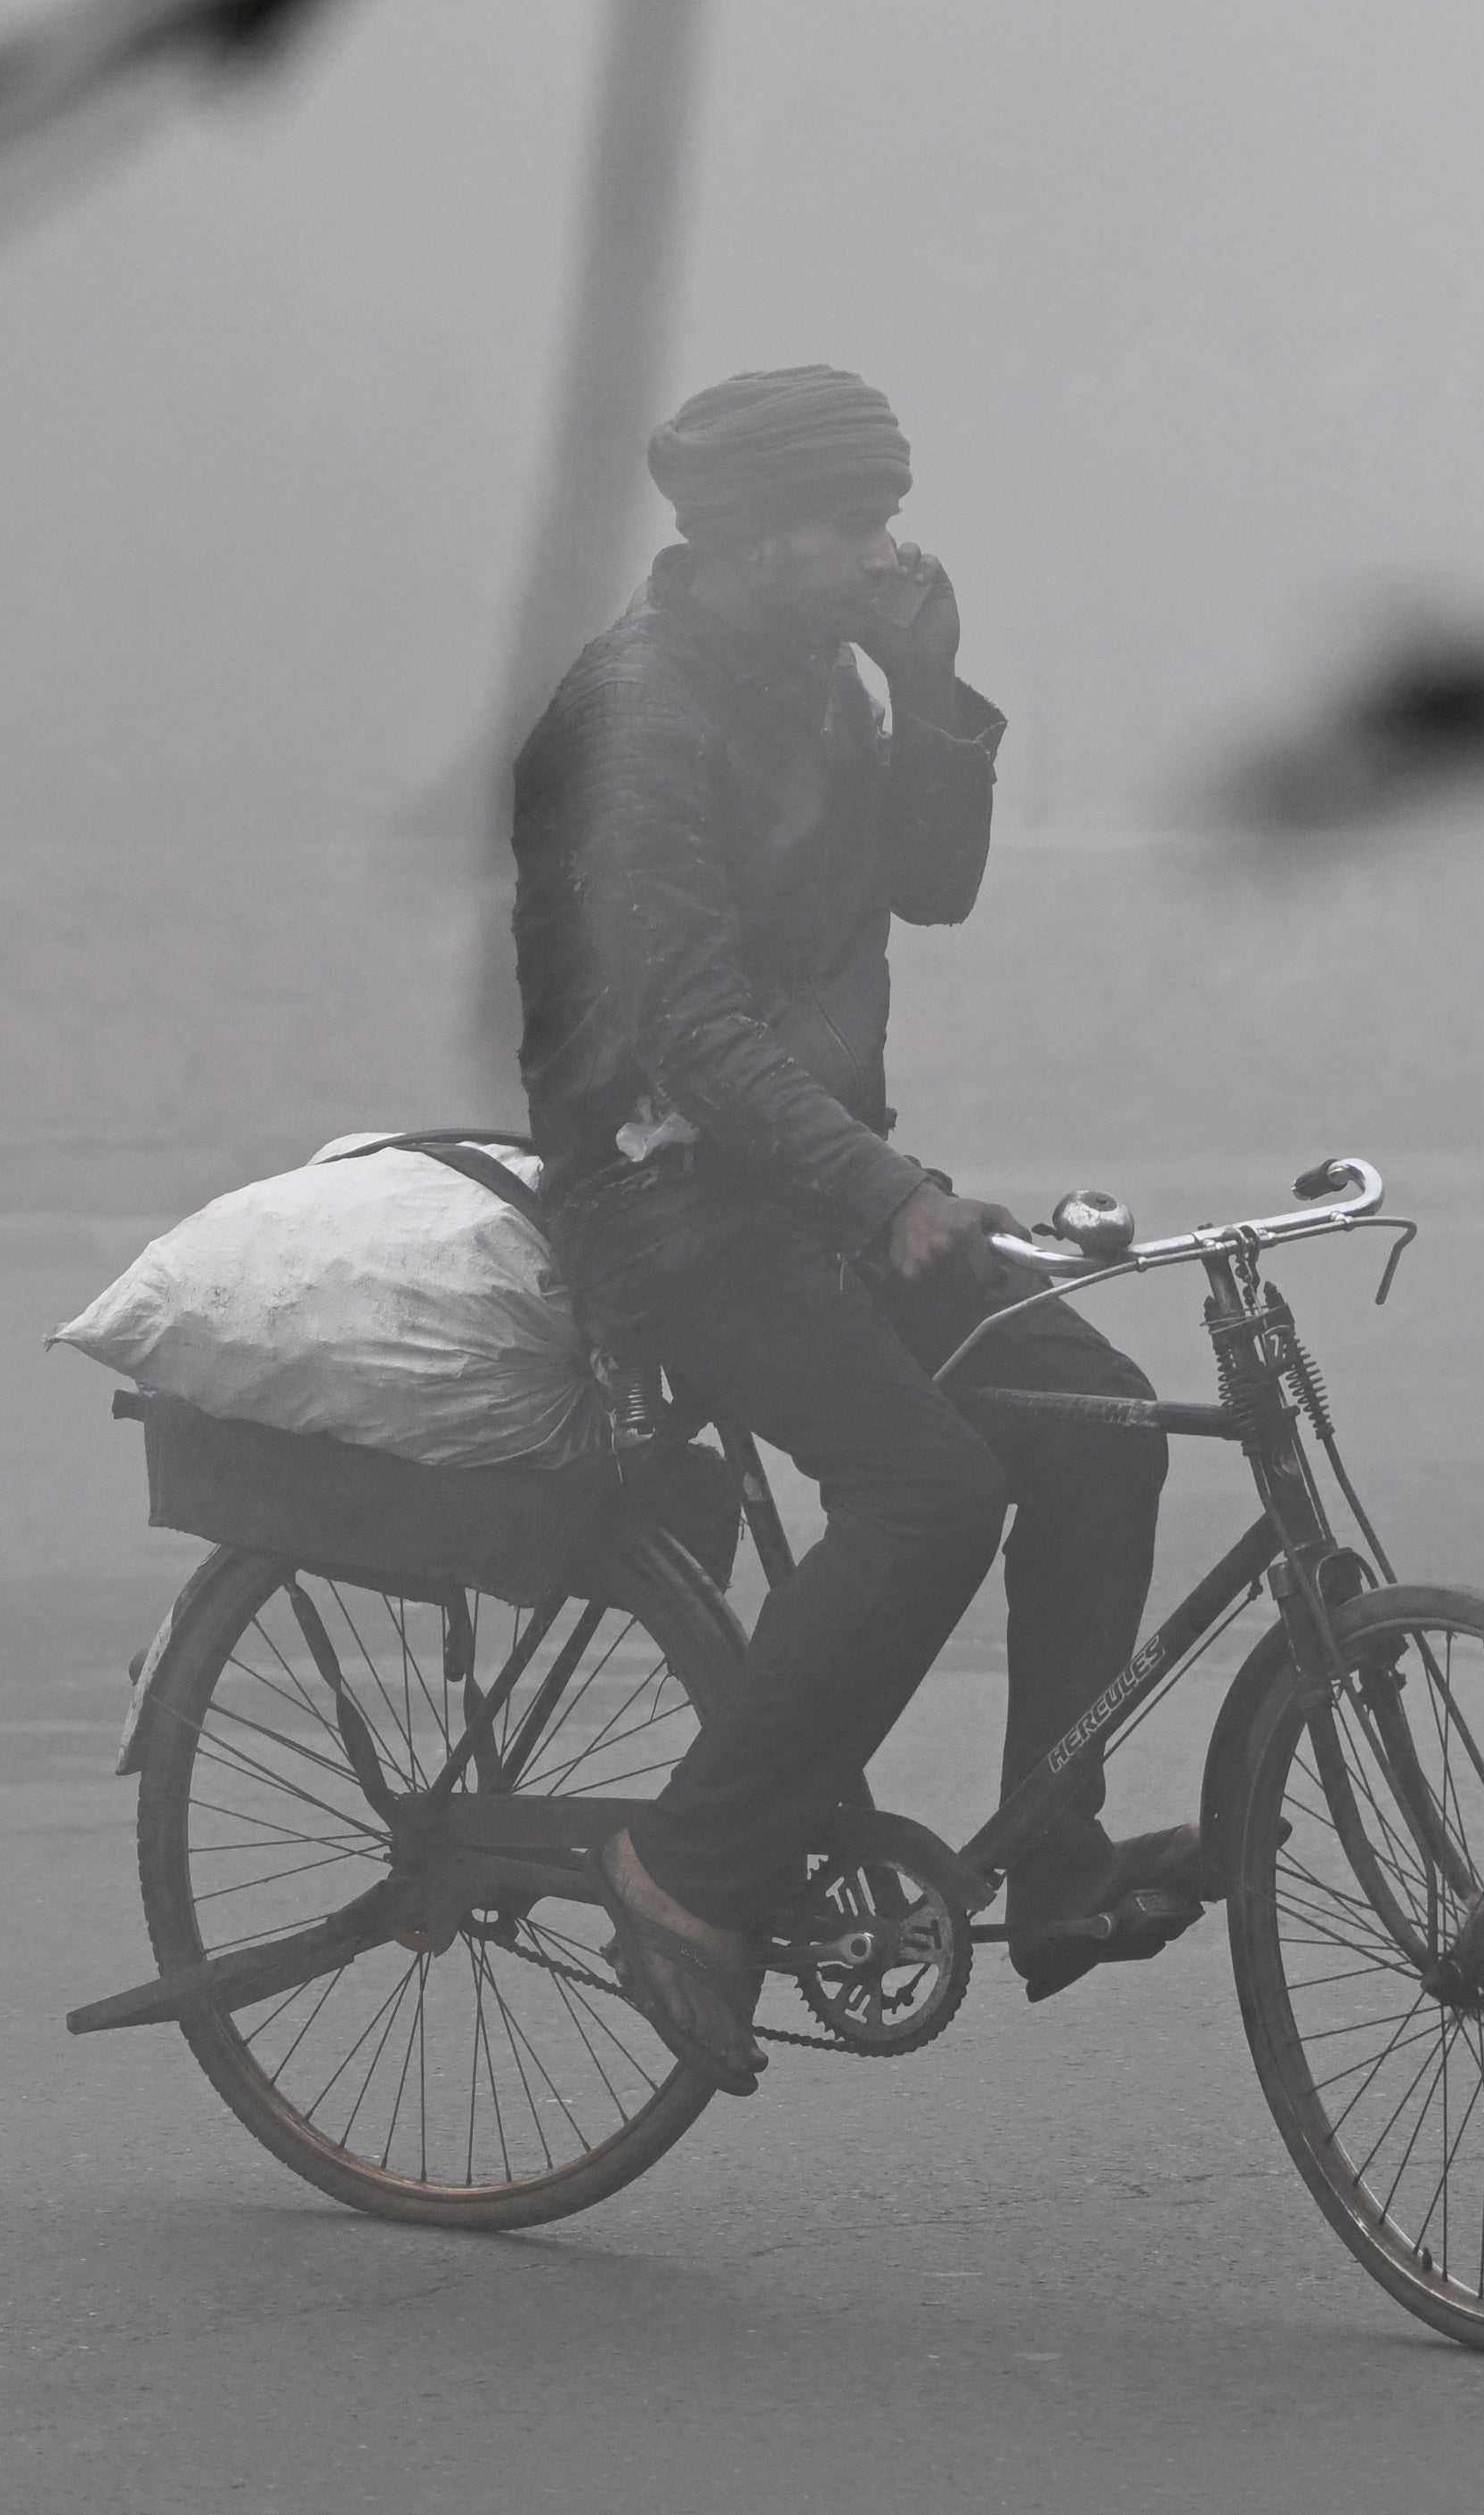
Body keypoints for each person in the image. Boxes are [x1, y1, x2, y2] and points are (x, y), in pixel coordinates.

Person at [510, 364, 1198, 2089]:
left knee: (1101, 1425)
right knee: (930, 1485)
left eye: (889, 513)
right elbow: (684, 1021)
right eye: (854, 522)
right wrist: (875, 1190)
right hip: (663, 1195)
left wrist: (932, 688)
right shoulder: (637, 716)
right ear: (747, 536)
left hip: (810, 1179)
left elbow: (931, 882)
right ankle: (684, 1868)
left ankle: (1052, 1856)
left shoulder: (821, 681)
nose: (887, 546)